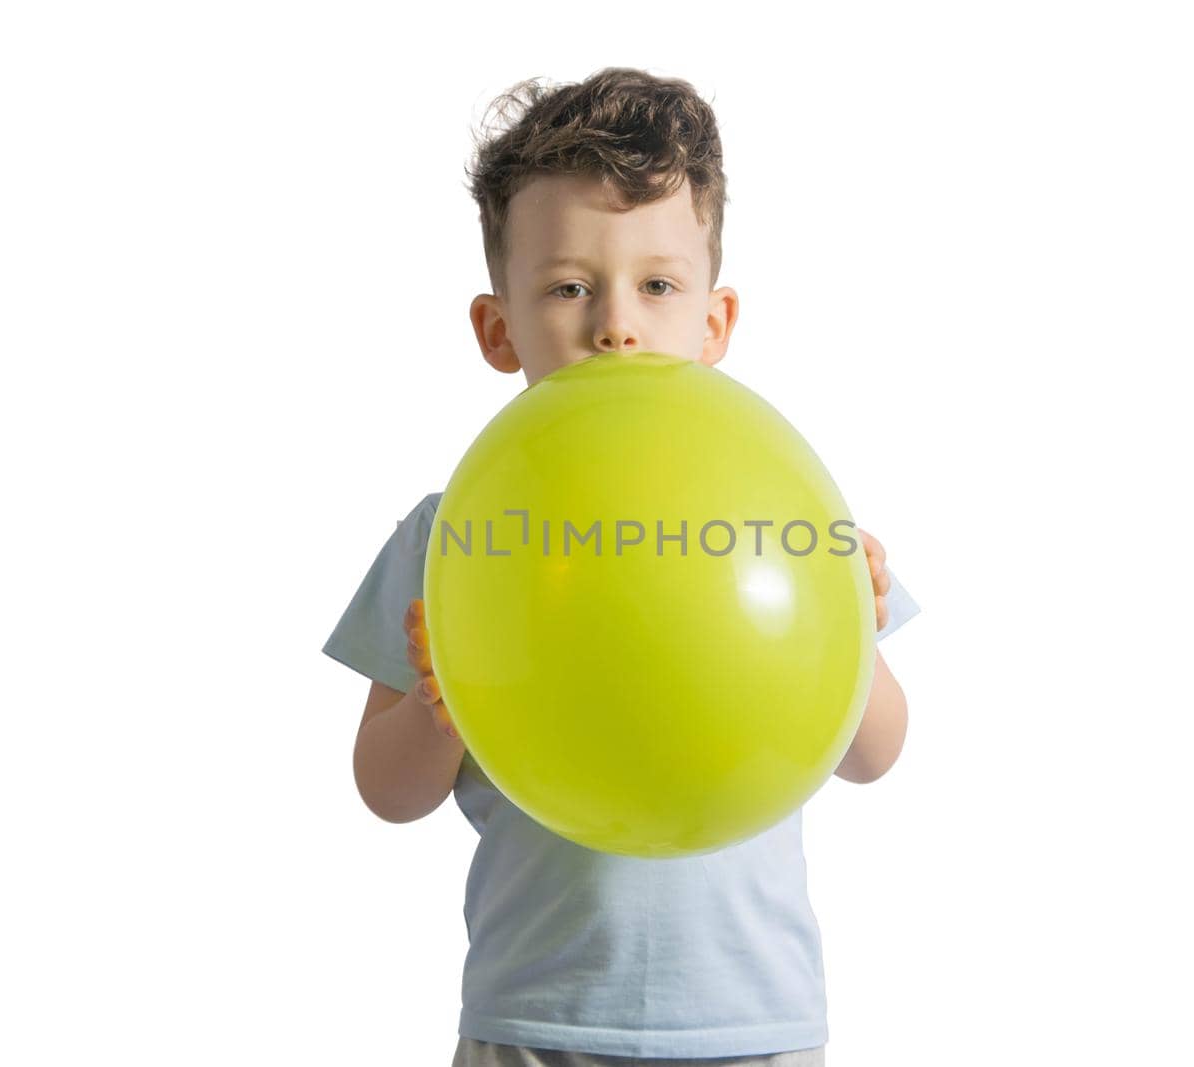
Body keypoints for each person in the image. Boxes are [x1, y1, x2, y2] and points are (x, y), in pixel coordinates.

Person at [322, 67, 920, 1067]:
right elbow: (384, 790)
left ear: (714, 321)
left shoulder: (779, 507)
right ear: (497, 326)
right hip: (538, 1015)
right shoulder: (453, 532)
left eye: (656, 285)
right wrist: (440, 708)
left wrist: (850, 638)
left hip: (751, 1017)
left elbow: (873, 753)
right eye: (567, 287)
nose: (615, 324)